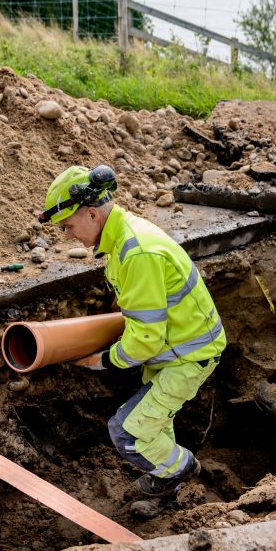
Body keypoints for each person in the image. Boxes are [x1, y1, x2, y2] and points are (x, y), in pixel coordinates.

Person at [39, 164, 227, 498]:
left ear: (93, 215)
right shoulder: (120, 237)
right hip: (171, 347)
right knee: (154, 424)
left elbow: (146, 337)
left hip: (188, 355)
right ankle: (171, 485)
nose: (67, 236)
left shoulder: (136, 251)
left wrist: (104, 360)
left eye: (67, 226)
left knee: (128, 433)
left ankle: (182, 471)